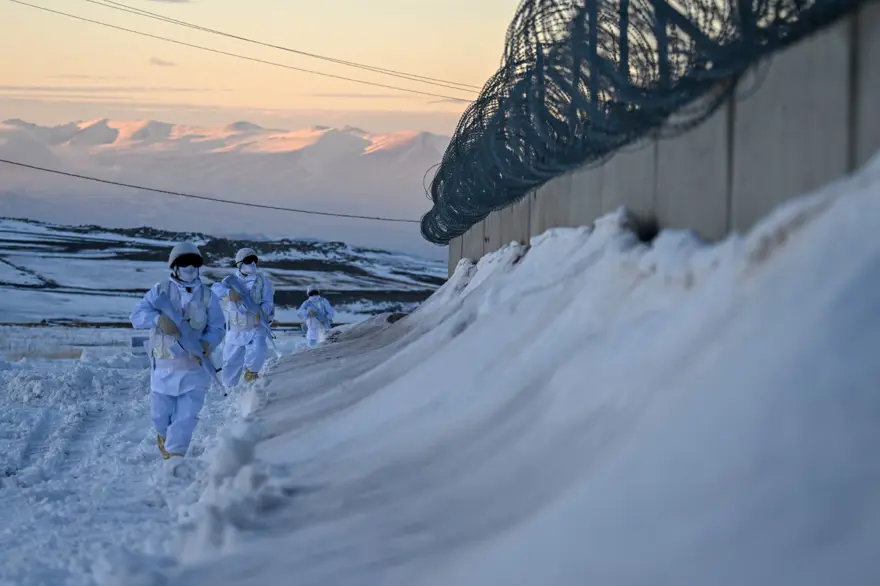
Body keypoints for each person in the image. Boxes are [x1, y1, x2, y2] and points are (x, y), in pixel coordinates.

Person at [130, 242, 225, 460]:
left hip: (195, 369)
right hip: (163, 369)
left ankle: (175, 458)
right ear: (174, 266)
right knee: (159, 417)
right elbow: (136, 316)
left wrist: (207, 344)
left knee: (186, 418)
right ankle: (163, 436)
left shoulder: (208, 296)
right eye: (184, 263)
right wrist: (158, 319)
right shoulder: (160, 291)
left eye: (194, 263)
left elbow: (218, 326)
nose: (189, 267)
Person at [211, 247, 275, 386]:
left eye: (254, 260)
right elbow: (215, 290)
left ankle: (251, 380)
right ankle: (229, 392)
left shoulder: (263, 282)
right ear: (239, 263)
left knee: (258, 350)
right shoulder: (230, 281)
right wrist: (229, 293)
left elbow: (268, 302)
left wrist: (261, 312)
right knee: (230, 362)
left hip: (256, 326)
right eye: (248, 260)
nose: (252, 263)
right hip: (236, 327)